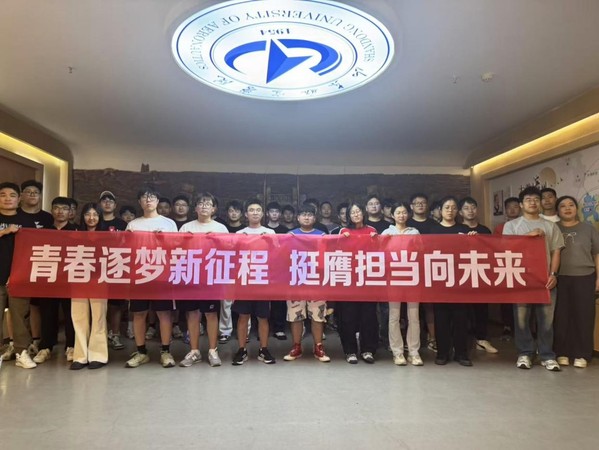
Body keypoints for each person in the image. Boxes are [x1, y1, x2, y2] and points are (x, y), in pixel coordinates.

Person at [503, 186, 564, 371]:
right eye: (528, 200)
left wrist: (553, 274)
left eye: (536, 200)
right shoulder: (512, 226)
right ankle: (525, 353)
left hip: (545, 280)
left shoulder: (550, 226)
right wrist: (527, 237)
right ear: (521, 204)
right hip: (520, 279)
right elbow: (506, 249)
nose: (533, 202)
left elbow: (556, 252)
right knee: (521, 319)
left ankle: (547, 355)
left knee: (546, 320)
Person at [124, 189, 178, 368]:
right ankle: (141, 351)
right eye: (144, 198)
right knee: (139, 313)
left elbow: (177, 248)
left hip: (162, 275)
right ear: (139, 202)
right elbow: (125, 250)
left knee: (164, 313)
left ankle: (166, 351)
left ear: (157, 201)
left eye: (152, 197)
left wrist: (164, 240)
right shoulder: (133, 224)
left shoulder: (169, 223)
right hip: (139, 275)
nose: (148, 200)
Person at [178, 192, 228, 367]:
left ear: (214, 209)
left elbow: (229, 252)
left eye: (208, 204)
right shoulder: (186, 227)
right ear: (196, 208)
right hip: (191, 276)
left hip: (211, 278)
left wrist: (216, 241)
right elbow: (177, 251)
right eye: (201, 203)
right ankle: (194, 351)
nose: (204, 206)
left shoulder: (221, 228)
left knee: (211, 314)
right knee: (192, 314)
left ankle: (213, 350)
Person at [554, 196, 599, 368]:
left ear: (576, 208)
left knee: (584, 316)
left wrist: (598, 277)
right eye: (563, 206)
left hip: (585, 277)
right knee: (561, 317)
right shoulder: (553, 228)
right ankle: (562, 352)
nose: (567, 208)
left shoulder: (588, 229)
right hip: (559, 278)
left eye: (571, 205)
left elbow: (597, 254)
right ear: (557, 211)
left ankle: (582, 354)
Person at [283, 203, 330, 362]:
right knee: (295, 315)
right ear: (298, 218)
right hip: (296, 281)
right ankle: (296, 346)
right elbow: (283, 257)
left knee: (318, 315)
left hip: (316, 281)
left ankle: (318, 347)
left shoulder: (322, 236)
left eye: (310, 214)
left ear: (315, 218)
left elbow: (327, 257)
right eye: (303, 214)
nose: (307, 217)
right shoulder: (290, 235)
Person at [231, 199, 276, 365]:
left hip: (262, 280)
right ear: (246, 214)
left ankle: (264, 349)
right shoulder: (239, 233)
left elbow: (278, 253)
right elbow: (232, 255)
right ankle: (241, 349)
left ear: (262, 214)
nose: (255, 212)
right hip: (244, 280)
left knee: (263, 317)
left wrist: (270, 241)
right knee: (243, 316)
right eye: (251, 210)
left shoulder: (270, 232)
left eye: (258, 210)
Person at [33, 197, 77, 365]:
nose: (60, 211)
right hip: (49, 278)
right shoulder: (43, 231)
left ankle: (71, 346)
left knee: (71, 314)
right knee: (47, 313)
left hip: (70, 278)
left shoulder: (77, 231)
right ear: (51, 210)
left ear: (70, 212)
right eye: (57, 208)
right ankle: (45, 347)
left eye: (64, 208)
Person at [431, 196, 474, 366]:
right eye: (447, 207)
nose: (450, 210)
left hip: (460, 279)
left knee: (460, 318)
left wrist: (474, 239)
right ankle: (442, 353)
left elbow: (473, 252)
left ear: (458, 211)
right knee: (441, 318)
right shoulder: (432, 230)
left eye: (454, 207)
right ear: (440, 210)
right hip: (439, 280)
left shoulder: (464, 229)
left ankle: (461, 353)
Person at [0, 182, 37, 368]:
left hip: (18, 277)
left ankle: (21, 352)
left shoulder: (27, 221)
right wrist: (5, 231)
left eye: (12, 195)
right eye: (3, 195)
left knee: (20, 316)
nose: (8, 198)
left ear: (19, 198)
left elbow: (34, 249)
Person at [381, 202, 423, 366]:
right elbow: (379, 254)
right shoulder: (386, 232)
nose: (401, 215)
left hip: (412, 278)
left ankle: (414, 352)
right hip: (393, 278)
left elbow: (421, 253)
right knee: (394, 316)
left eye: (404, 212)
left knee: (414, 316)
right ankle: (397, 352)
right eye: (398, 212)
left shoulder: (414, 232)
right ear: (392, 215)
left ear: (408, 214)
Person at [70, 203, 109, 370]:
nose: (91, 218)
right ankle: (80, 356)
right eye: (88, 214)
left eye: (95, 214)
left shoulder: (107, 236)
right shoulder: (75, 235)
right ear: (82, 216)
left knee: (98, 317)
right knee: (79, 317)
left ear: (100, 217)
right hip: (78, 279)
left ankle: (98, 355)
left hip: (99, 280)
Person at [339, 202, 379, 364]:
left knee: (368, 317)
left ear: (363, 213)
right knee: (348, 317)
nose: (356, 214)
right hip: (349, 280)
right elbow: (337, 252)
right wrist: (342, 240)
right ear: (348, 216)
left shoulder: (372, 230)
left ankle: (368, 350)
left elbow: (379, 252)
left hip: (368, 280)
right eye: (352, 212)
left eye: (358, 211)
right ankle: (350, 351)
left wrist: (375, 240)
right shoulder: (344, 231)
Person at [458, 196, 498, 354]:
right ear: (460, 212)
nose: (470, 211)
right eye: (466, 208)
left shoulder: (485, 230)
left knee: (481, 308)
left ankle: (482, 339)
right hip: (461, 274)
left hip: (480, 272)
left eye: (473, 207)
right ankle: (464, 341)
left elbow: (491, 251)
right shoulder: (456, 230)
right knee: (463, 310)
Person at [407, 193, 439, 352]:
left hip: (428, 269)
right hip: (408, 270)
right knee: (409, 309)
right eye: (416, 203)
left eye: (423, 202)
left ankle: (432, 338)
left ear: (427, 205)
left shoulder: (434, 225)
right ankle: (411, 341)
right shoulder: (406, 224)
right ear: (411, 206)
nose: (420, 205)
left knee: (429, 306)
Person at [98, 190, 128, 351]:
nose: (107, 203)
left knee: (116, 304)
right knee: (98, 303)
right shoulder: (94, 221)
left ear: (115, 205)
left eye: (110, 201)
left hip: (116, 266)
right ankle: (99, 335)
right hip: (96, 267)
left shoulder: (122, 224)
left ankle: (115, 334)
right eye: (104, 200)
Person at [493, 196, 521, 340]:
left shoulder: (525, 225)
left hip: (523, 266)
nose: (512, 209)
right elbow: (497, 246)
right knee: (507, 299)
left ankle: (522, 328)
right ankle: (507, 326)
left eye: (515, 206)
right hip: (506, 265)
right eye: (509, 207)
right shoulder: (500, 228)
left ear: (520, 208)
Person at [218, 199, 246, 344]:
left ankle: (245, 332)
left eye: (237, 211)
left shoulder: (246, 230)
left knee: (245, 301)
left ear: (242, 214)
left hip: (243, 267)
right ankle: (225, 331)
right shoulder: (221, 228)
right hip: (225, 268)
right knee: (226, 302)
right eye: (231, 211)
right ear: (227, 213)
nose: (234, 213)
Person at [265, 201, 288, 340]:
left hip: (280, 269)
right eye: (272, 211)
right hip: (263, 268)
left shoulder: (285, 230)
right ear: (267, 214)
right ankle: (263, 329)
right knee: (263, 301)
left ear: (280, 214)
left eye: (276, 212)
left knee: (279, 300)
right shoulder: (263, 229)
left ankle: (279, 328)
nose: (274, 214)